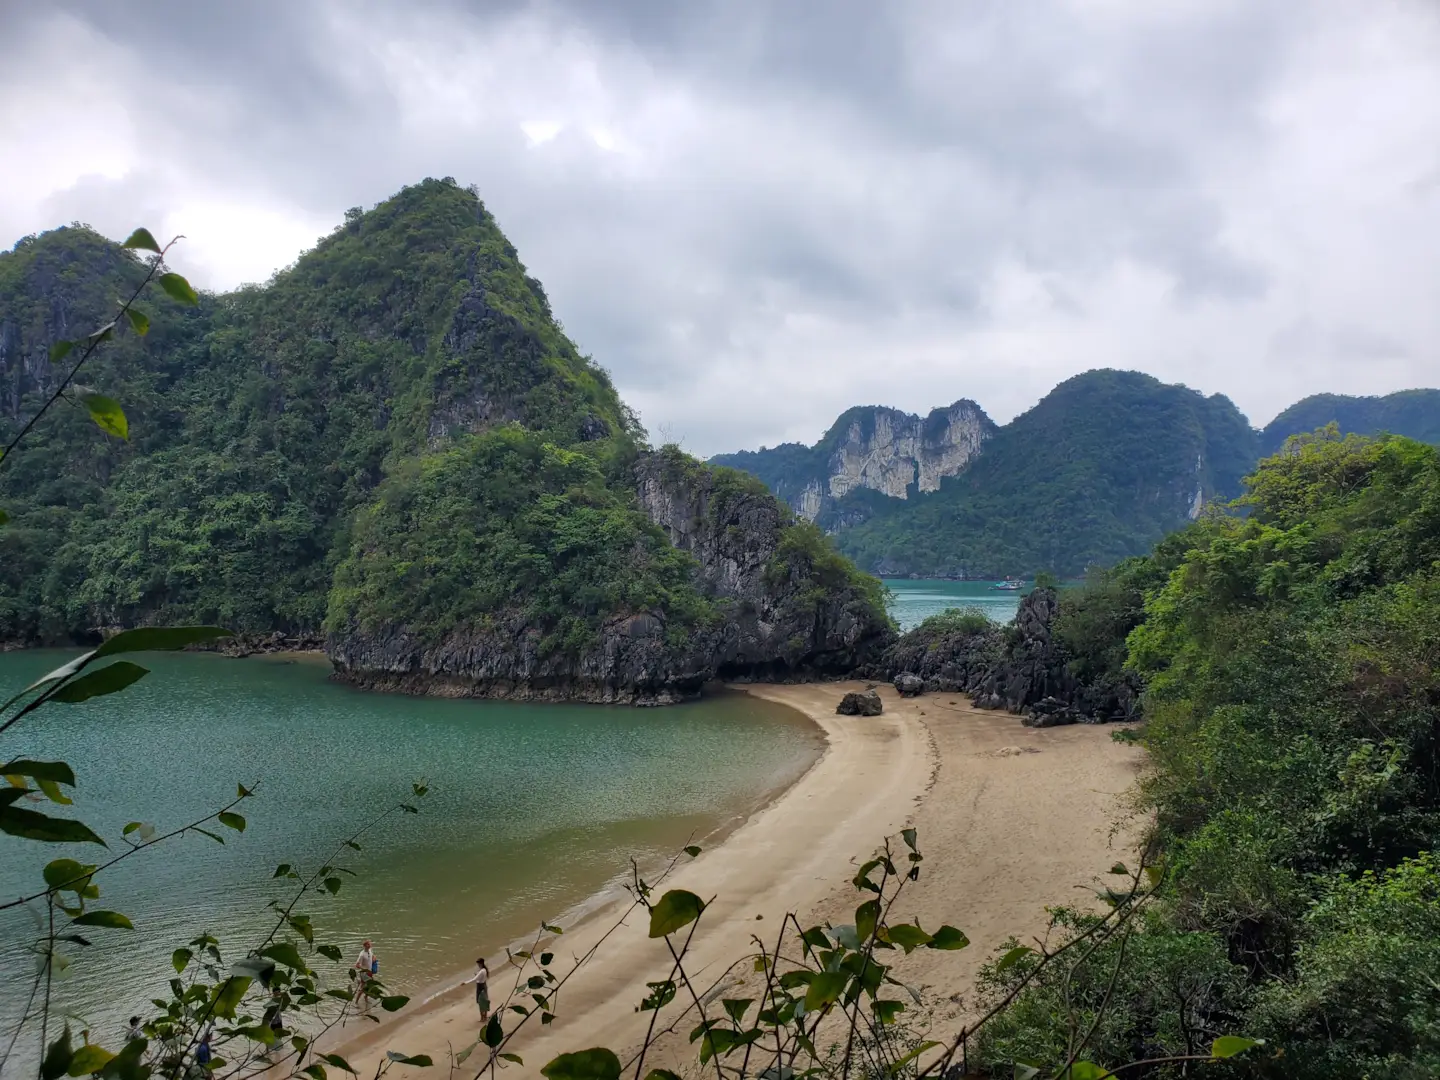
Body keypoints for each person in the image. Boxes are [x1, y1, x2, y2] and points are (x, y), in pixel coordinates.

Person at [464, 957, 490, 1023]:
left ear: (480, 963)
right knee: (485, 1001)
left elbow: (475, 979)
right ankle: (485, 1016)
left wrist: (465, 983)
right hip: (484, 986)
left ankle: (482, 1018)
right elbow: (481, 978)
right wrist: (477, 975)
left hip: (480, 987)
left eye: (478, 963)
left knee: (480, 1002)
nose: (477, 964)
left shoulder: (481, 971)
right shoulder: (484, 970)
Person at [355, 940, 376, 1010]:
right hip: (364, 973)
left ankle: (365, 997)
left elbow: (373, 956)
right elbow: (357, 965)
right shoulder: (362, 954)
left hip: (369, 972)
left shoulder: (370, 950)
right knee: (363, 988)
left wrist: (374, 960)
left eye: (370, 944)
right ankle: (356, 1002)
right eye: (368, 944)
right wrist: (365, 969)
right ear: (364, 946)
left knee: (370, 985)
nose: (370, 945)